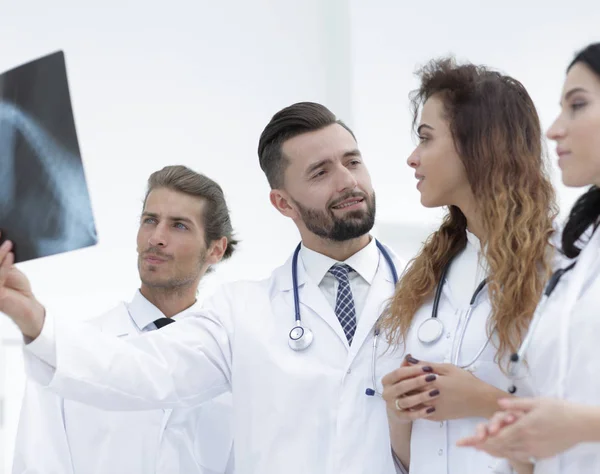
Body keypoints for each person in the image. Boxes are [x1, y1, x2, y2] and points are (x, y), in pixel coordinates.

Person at [0, 102, 406, 474]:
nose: (347, 181)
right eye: (320, 172)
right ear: (283, 203)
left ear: (216, 249)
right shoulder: (241, 313)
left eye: (353, 161)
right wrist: (35, 319)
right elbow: (141, 371)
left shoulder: (435, 292)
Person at [378, 58, 558, 473]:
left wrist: (484, 402)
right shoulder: (429, 273)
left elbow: (582, 432)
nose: (412, 157)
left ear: (478, 145)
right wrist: (398, 411)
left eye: (426, 139)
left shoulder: (559, 269)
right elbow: (409, 458)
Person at [12, 165, 236, 474]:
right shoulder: (64, 351)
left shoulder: (234, 359)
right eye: (150, 221)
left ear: (215, 249)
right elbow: (38, 463)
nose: (156, 238)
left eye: (179, 226)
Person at [457, 42, 600, 474]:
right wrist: (522, 440)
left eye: (578, 105)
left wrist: (582, 425)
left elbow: (575, 422)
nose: (554, 130)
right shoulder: (581, 248)